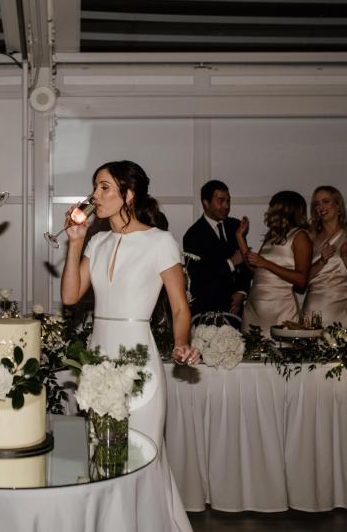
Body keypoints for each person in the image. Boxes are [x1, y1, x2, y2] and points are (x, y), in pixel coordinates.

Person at [60, 160, 196, 532]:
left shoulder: (159, 241)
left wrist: (182, 343)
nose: (95, 196)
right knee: (103, 453)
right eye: (95, 187)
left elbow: (180, 306)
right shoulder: (99, 240)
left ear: (129, 195)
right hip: (99, 356)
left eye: (104, 188)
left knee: (141, 453)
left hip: (139, 359)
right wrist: (75, 244)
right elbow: (71, 296)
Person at [237, 190, 312, 333]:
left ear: (284, 209)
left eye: (272, 207)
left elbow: (302, 280)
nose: (269, 211)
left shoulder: (300, 236)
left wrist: (265, 263)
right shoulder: (271, 237)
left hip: (280, 311)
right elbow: (254, 269)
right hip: (254, 309)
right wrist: (240, 238)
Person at [182, 180, 251, 319]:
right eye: (221, 201)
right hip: (208, 310)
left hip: (237, 310)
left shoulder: (235, 226)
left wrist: (241, 292)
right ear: (206, 203)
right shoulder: (192, 235)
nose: (226, 206)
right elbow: (199, 275)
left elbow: (247, 264)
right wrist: (231, 263)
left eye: (228, 201)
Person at [302, 186, 347, 326]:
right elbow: (301, 279)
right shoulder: (309, 238)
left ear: (338, 205)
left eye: (326, 201)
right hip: (316, 309)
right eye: (317, 204)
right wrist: (321, 261)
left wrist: (346, 258)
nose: (321, 207)